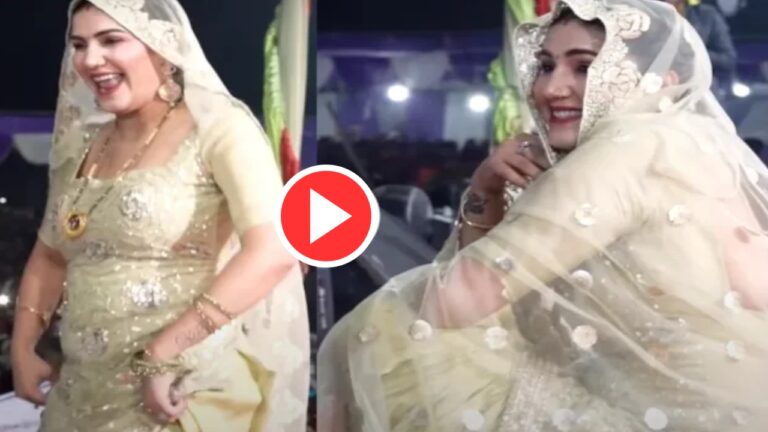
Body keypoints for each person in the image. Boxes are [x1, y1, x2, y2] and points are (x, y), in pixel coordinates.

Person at [318, 0, 768, 430]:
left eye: (585, 67)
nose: (550, 88)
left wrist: (483, 188)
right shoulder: (697, 147)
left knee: (386, 328)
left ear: (659, 83)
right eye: (546, 66)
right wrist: (488, 189)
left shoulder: (624, 150)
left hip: (671, 418)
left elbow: (453, 303)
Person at [9, 0, 310, 431]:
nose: (90, 60)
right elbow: (51, 253)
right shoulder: (83, 145)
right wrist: (22, 346)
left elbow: (274, 251)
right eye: (79, 45)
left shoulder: (220, 128)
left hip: (182, 391)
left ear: (164, 49)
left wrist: (164, 352)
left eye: (111, 40)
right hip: (78, 395)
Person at [664, 0, 737, 89]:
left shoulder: (707, 15)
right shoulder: (651, 14)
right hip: (658, 87)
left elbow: (728, 58)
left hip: (701, 89)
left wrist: (696, 54)